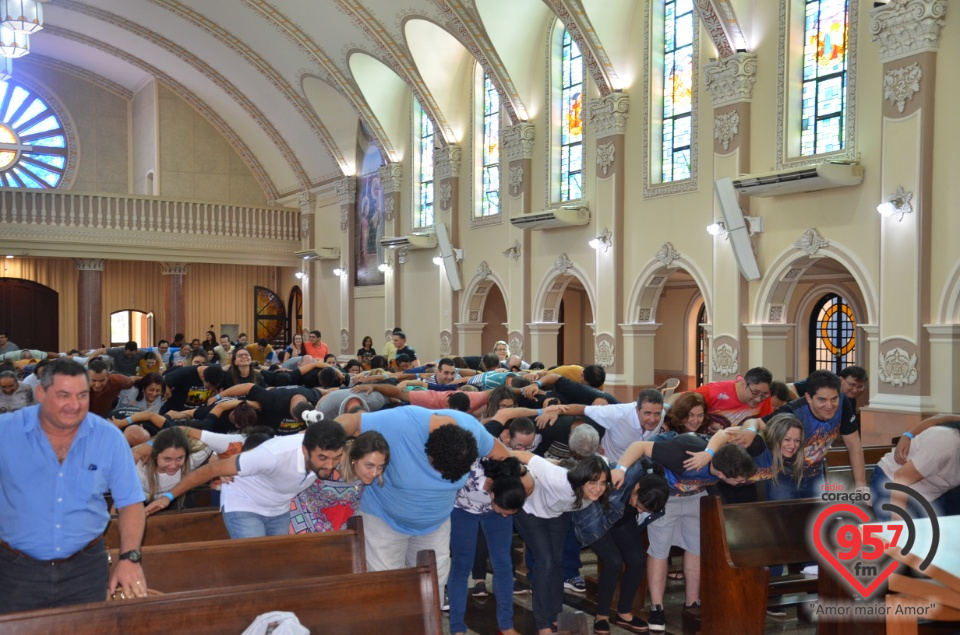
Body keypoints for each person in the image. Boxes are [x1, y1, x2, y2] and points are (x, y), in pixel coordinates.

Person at [0, 358, 147, 612]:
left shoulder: (108, 437)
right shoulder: (6, 432)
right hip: (16, 569)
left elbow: (131, 502)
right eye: (63, 395)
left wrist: (130, 558)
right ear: (41, 393)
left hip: (85, 568)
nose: (74, 405)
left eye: (82, 395)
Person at [332, 405, 510, 592]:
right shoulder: (401, 423)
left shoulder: (473, 432)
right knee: (383, 588)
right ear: (429, 453)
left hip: (435, 525)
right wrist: (330, 446)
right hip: (383, 519)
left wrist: (521, 473)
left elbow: (503, 455)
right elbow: (351, 422)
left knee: (432, 589)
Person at [612, 436, 760, 632]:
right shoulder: (682, 455)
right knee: (660, 548)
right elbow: (639, 445)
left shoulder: (722, 455)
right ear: (723, 475)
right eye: (740, 480)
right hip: (666, 495)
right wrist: (620, 469)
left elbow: (726, 432)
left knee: (695, 547)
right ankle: (657, 607)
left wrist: (709, 452)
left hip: (695, 494)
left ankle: (692, 602)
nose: (743, 482)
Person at [145, 421, 348, 538]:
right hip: (244, 503)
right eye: (322, 458)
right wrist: (169, 496)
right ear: (305, 450)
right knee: (254, 560)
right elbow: (211, 469)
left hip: (278, 509)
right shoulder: (272, 455)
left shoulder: (331, 452)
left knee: (276, 561)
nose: (330, 466)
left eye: (335, 458)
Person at [511, 452, 613, 635]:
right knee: (545, 562)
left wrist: (620, 469)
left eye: (602, 483)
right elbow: (523, 455)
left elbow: (602, 461)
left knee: (557, 561)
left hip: (559, 512)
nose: (598, 488)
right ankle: (543, 624)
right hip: (529, 509)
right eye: (592, 482)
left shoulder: (597, 484)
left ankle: (554, 615)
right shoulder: (559, 478)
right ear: (582, 479)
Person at [573, 460, 670, 634]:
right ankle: (602, 615)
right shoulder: (621, 479)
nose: (640, 511)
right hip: (594, 515)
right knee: (613, 562)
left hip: (620, 519)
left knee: (637, 560)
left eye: (644, 510)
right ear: (637, 487)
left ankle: (624, 612)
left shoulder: (654, 487)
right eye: (639, 505)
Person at [448, 457, 527, 635]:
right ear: (491, 494)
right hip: (463, 509)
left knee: (503, 566)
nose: (507, 517)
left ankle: (506, 626)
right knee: (461, 565)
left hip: (493, 512)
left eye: (511, 514)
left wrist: (502, 511)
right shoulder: (472, 476)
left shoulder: (509, 480)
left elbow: (505, 508)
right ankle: (457, 629)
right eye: (505, 513)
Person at [290, 431, 390, 533]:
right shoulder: (329, 466)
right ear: (354, 458)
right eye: (369, 465)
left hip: (335, 537)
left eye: (380, 467)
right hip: (302, 529)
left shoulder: (363, 476)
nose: (374, 473)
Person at [871, 414, 960, 520]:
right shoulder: (945, 444)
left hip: (933, 490)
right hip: (894, 482)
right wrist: (898, 523)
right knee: (906, 533)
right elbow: (901, 478)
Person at [545, 389, 665, 462]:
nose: (653, 419)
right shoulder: (617, 413)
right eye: (647, 413)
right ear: (637, 410)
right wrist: (557, 411)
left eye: (657, 414)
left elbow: (670, 403)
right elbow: (583, 409)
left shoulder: (662, 413)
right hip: (610, 466)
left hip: (636, 468)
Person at [136, 426, 211, 507]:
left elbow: (214, 439)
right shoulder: (139, 468)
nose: (173, 466)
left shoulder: (190, 460)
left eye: (179, 459)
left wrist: (214, 455)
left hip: (176, 504)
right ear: (155, 455)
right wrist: (152, 443)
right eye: (167, 459)